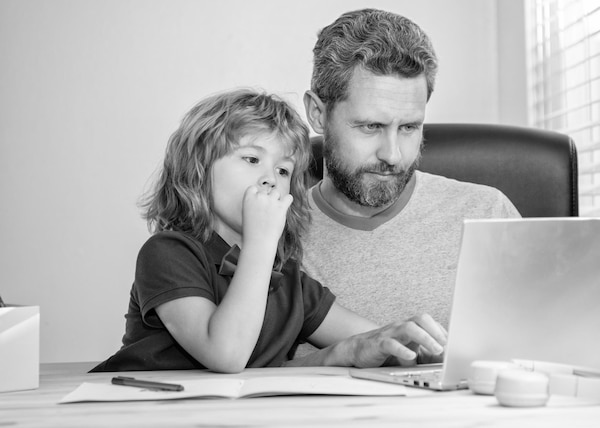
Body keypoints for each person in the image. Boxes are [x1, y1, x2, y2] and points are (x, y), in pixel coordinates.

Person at [91, 88, 447, 373]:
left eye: (283, 171)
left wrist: (417, 348)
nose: (269, 178)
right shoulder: (168, 253)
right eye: (251, 159)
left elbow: (371, 340)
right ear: (198, 170)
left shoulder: (285, 275)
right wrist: (261, 242)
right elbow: (226, 355)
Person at [301, 9, 521, 332]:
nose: (392, 155)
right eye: (371, 126)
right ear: (318, 114)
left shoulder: (487, 214)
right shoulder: (273, 235)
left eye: (408, 127)